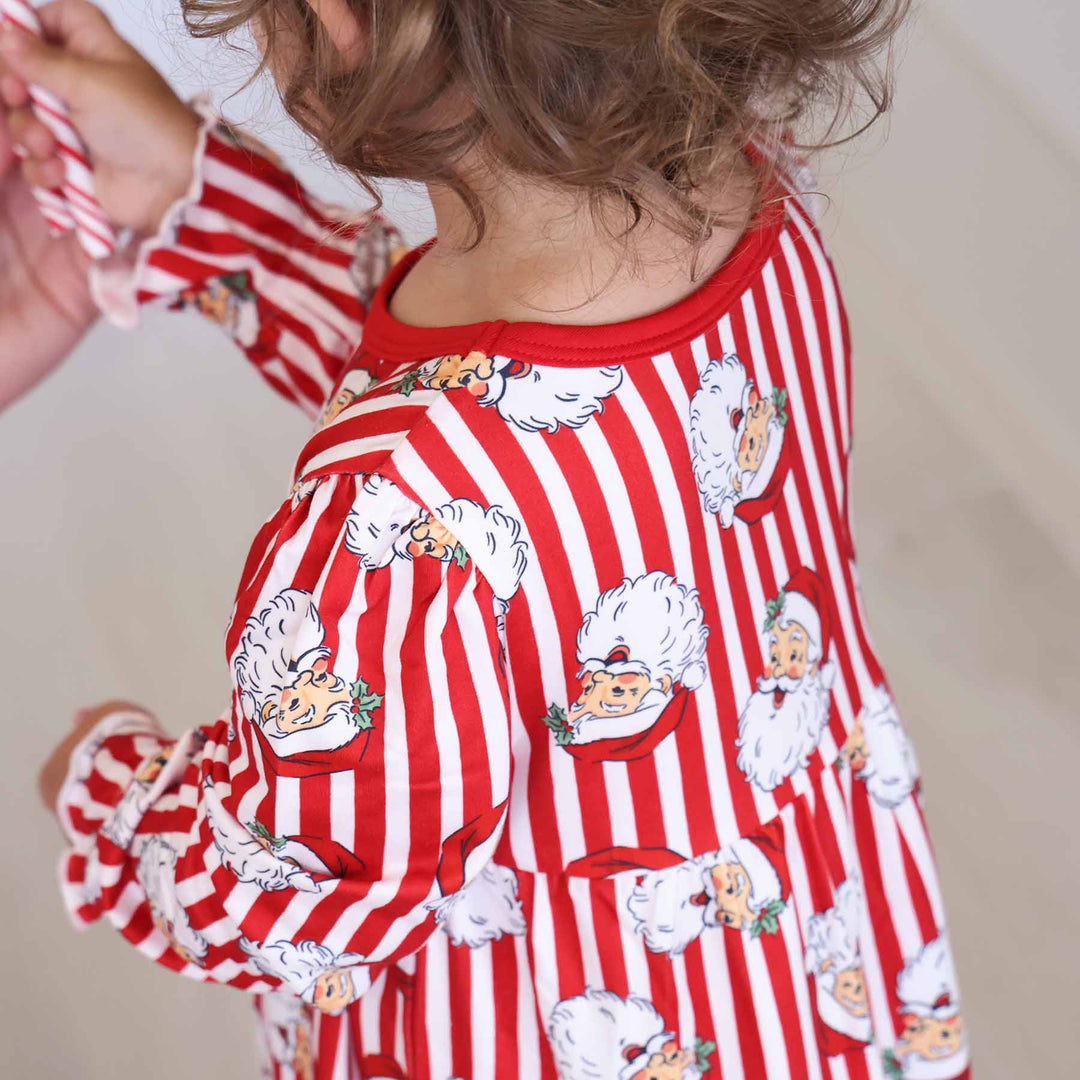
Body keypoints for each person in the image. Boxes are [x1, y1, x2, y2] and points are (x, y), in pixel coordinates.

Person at [1, 0, 970, 1077]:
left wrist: (107, 788)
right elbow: (528, 413)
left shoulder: (403, 513)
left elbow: (290, 901)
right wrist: (204, 198)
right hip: (793, 976)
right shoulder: (757, 201)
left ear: (338, 21)